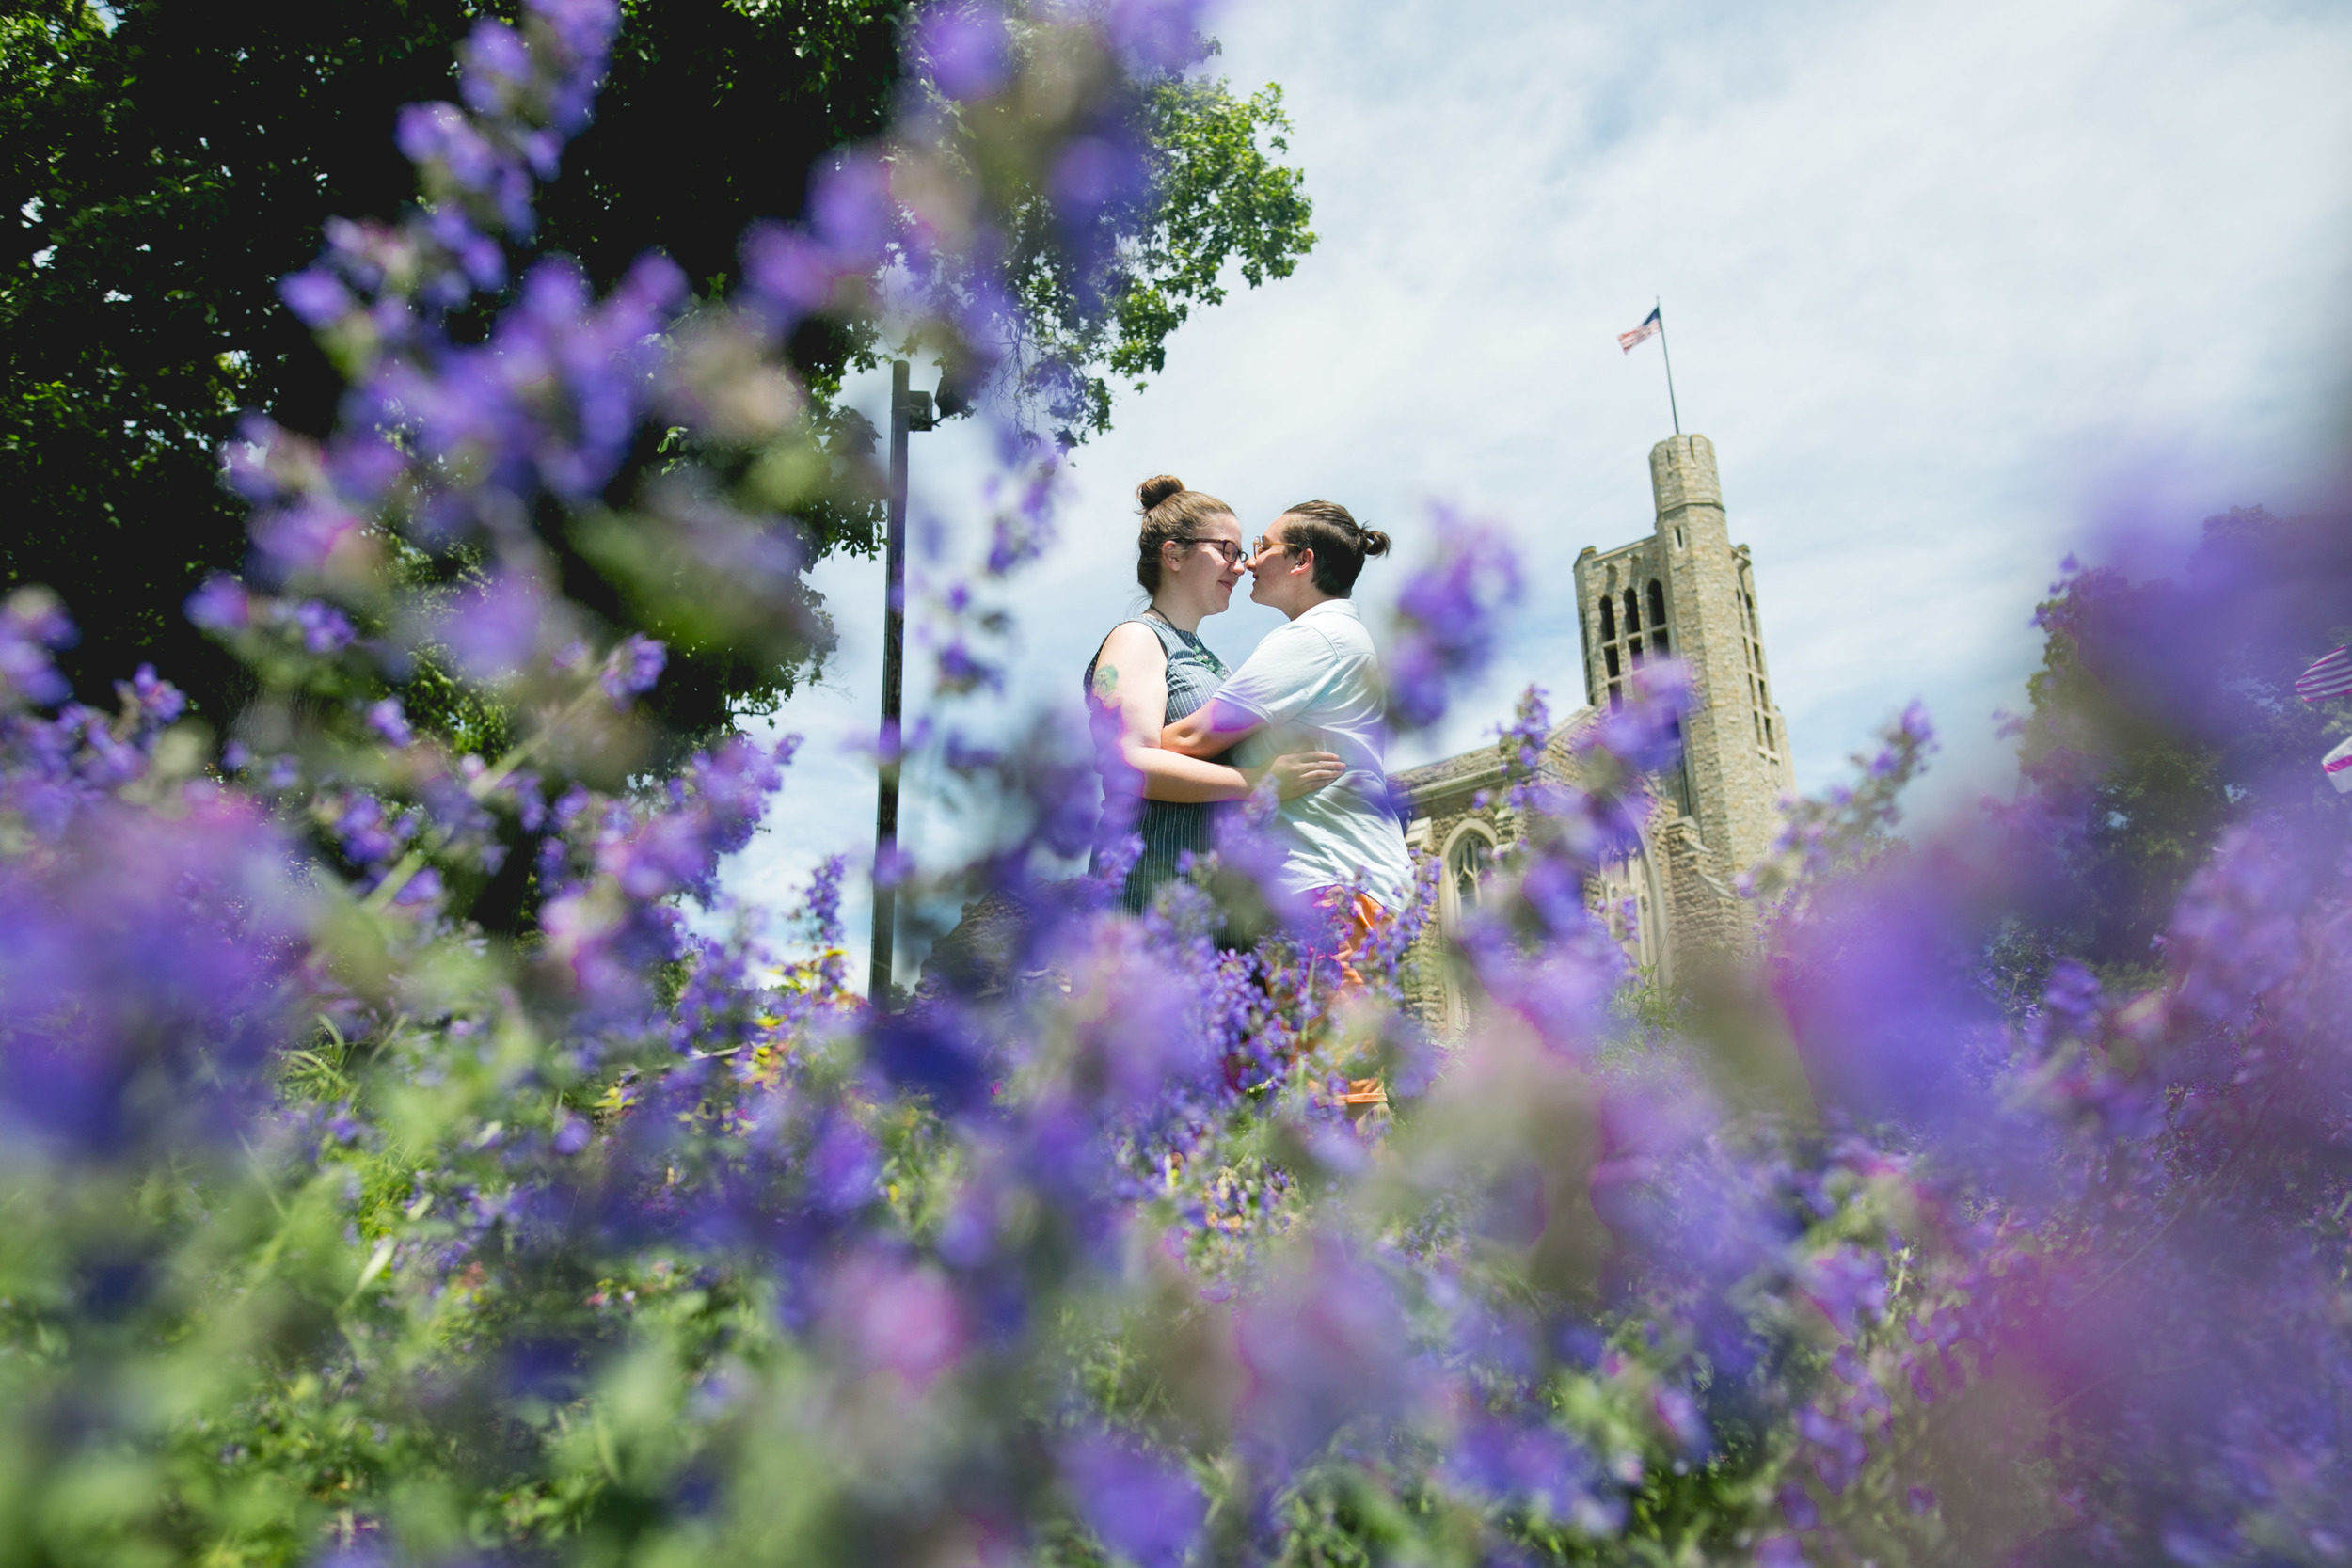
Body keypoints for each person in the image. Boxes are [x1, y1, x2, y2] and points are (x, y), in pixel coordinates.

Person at [1158, 499, 1413, 976]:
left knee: (1324, 1049)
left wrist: (1127, 749)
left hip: (1331, 890)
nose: (1250, 562)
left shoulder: (1315, 639)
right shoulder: (1336, 636)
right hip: (1343, 889)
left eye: (1262, 547)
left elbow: (1190, 740)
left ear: (1302, 560)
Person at [1085, 475, 1343, 914]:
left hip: (1217, 910)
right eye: (1226, 550)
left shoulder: (1217, 666)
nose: (1240, 566)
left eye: (1240, 554)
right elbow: (1127, 761)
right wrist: (1258, 782)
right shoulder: (1138, 639)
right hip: (1148, 897)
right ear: (1174, 555)